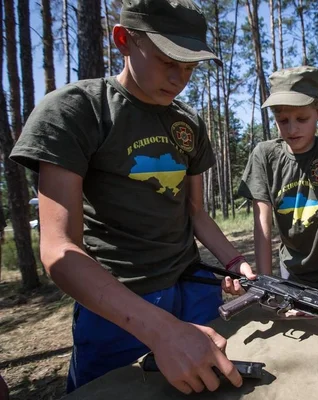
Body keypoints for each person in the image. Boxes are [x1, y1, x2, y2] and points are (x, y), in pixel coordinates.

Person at [9, 0, 255, 394]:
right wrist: (161, 330)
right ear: (123, 40)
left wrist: (234, 260)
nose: (179, 78)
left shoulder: (188, 123)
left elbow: (196, 212)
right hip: (117, 303)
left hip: (193, 286)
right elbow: (59, 249)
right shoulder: (77, 110)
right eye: (167, 61)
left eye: (190, 67)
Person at [238, 66, 318, 296]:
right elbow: (262, 225)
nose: (292, 128)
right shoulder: (264, 155)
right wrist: (266, 284)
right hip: (291, 273)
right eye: (282, 119)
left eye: (302, 118)